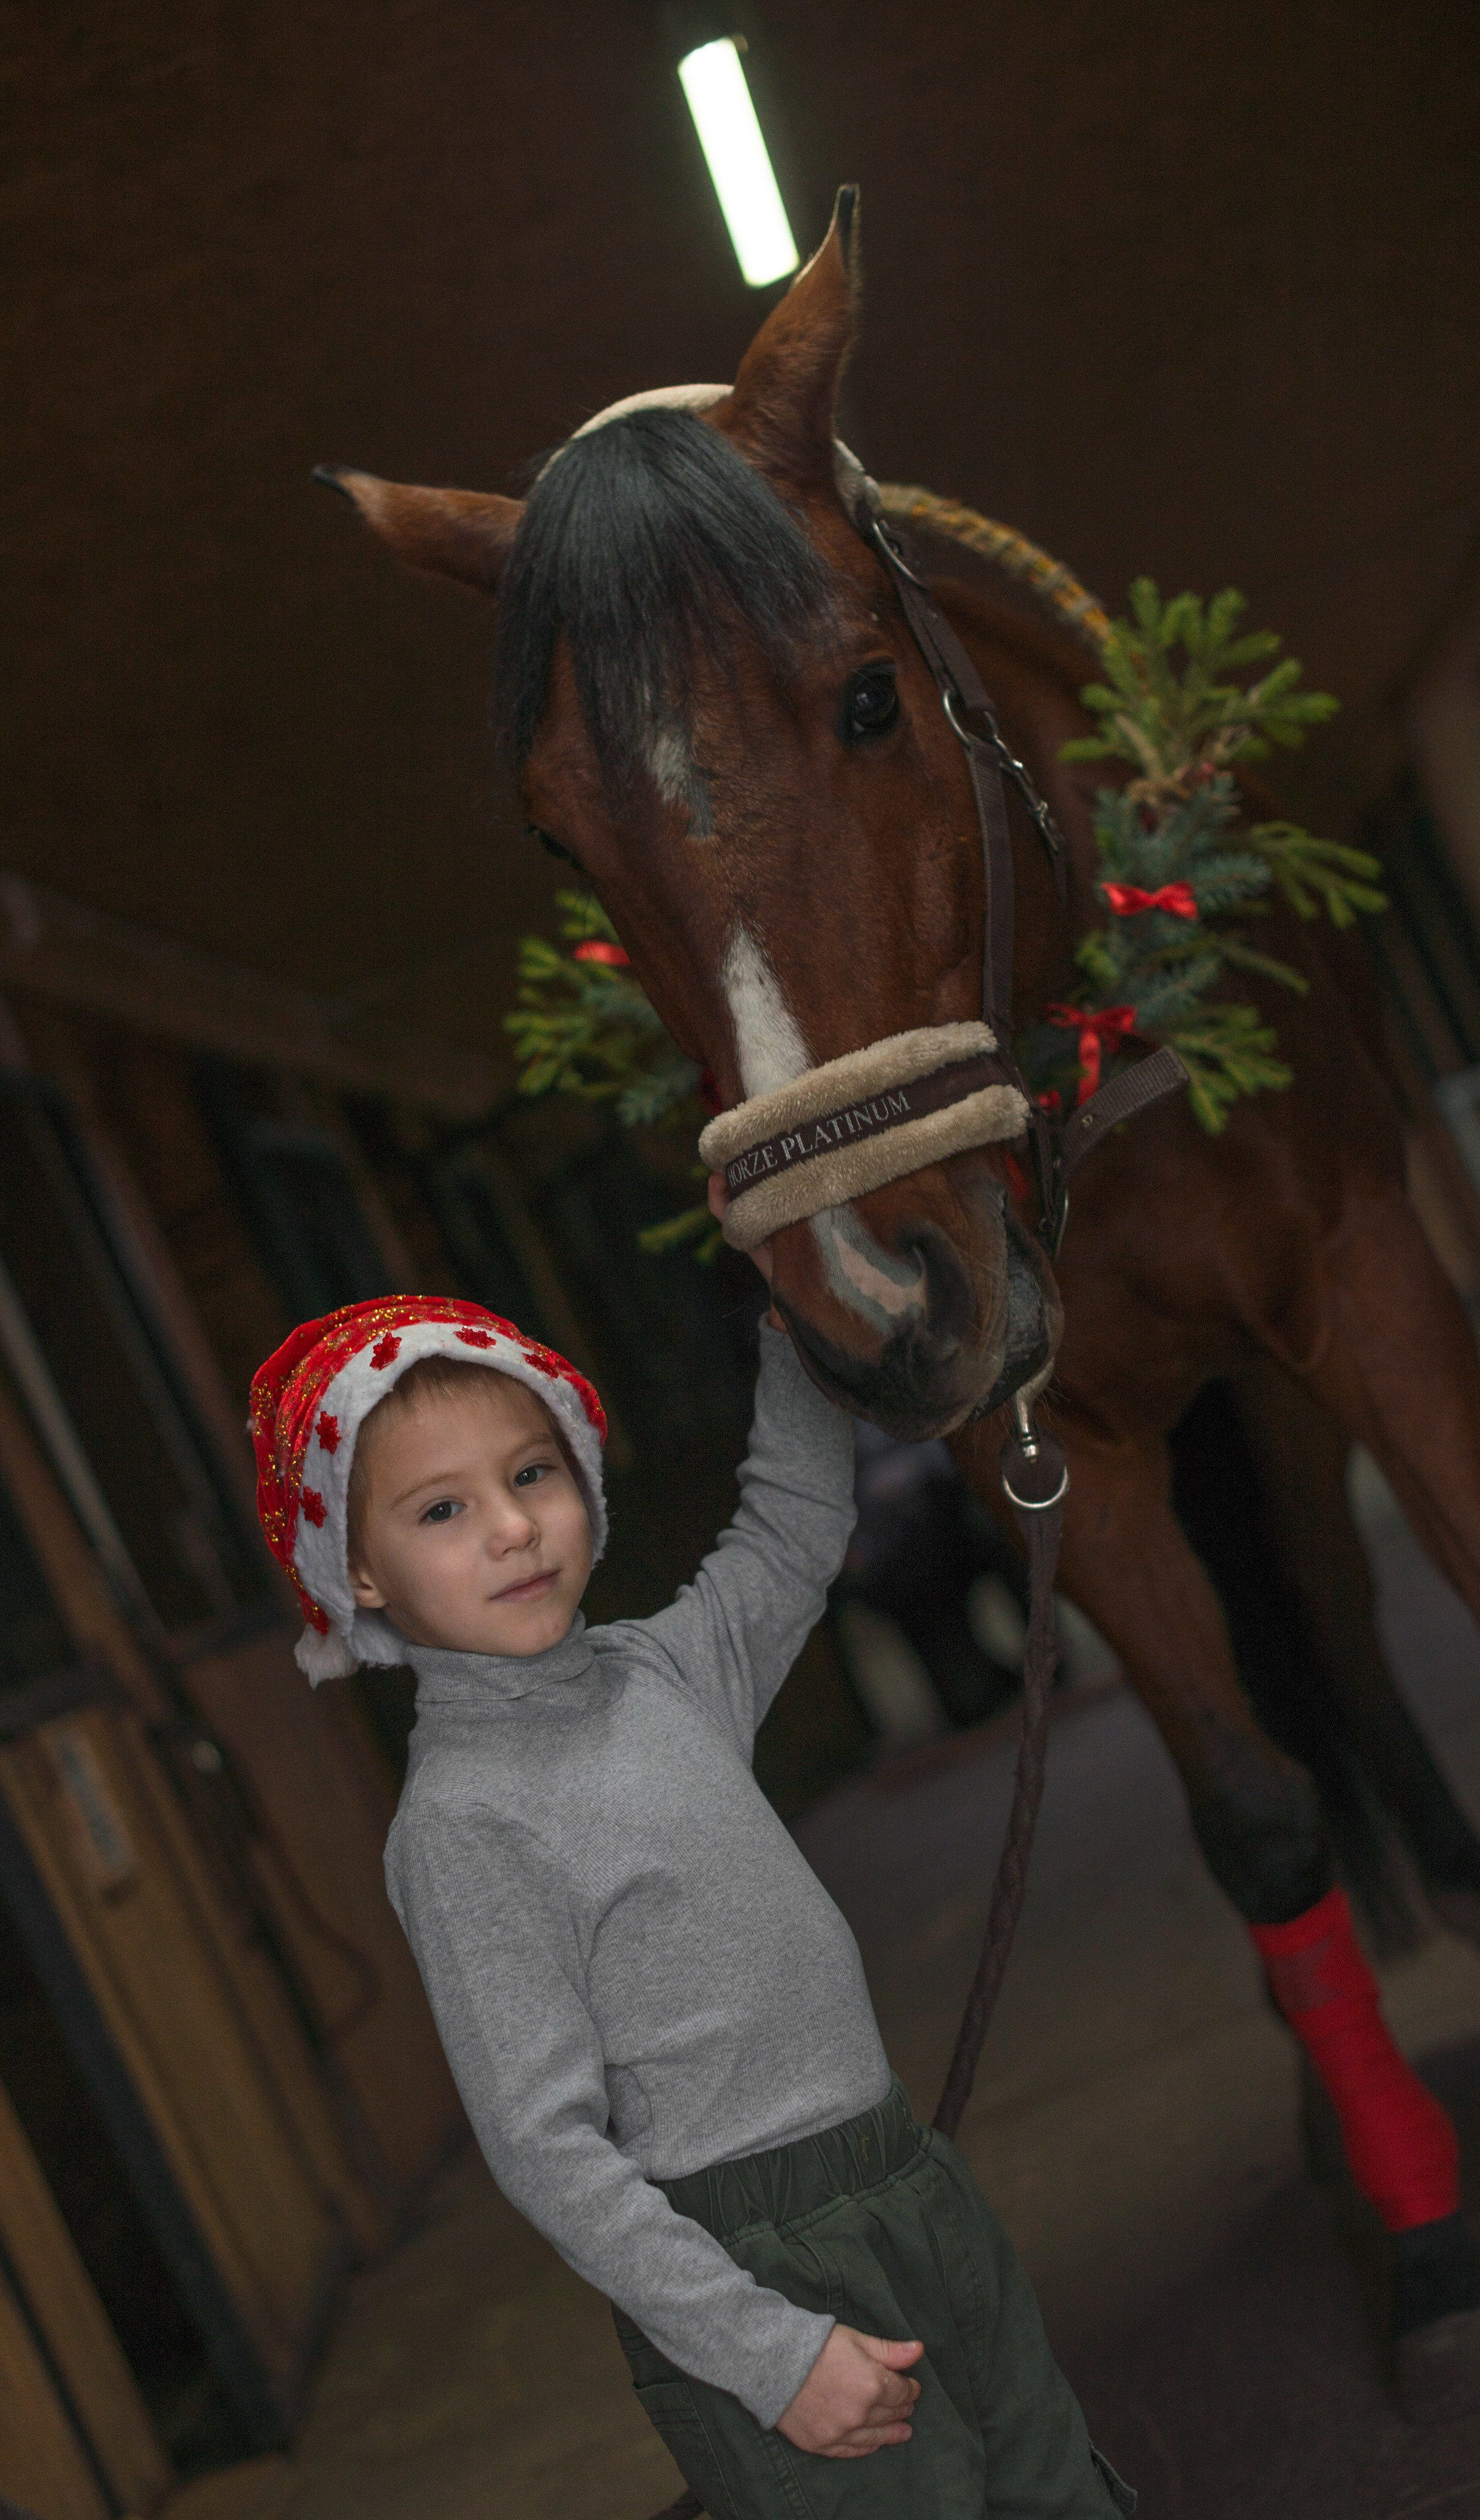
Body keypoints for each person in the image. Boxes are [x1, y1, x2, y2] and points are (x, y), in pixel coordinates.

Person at [248, 1252, 1134, 2519]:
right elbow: (548, 2149)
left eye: (530, 1471)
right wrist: (769, 2356)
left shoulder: (668, 1669)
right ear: (361, 1575)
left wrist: (801, 1312)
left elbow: (788, 1523)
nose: (509, 1524)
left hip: (904, 2176)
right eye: (439, 1511)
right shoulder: (460, 1825)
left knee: (1061, 2491)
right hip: (749, 2263)